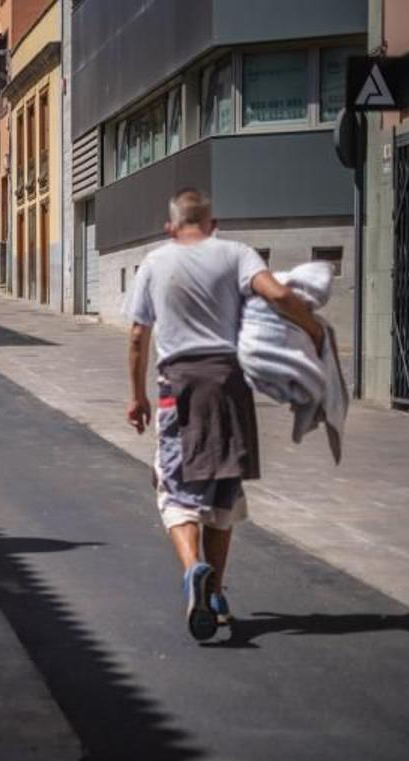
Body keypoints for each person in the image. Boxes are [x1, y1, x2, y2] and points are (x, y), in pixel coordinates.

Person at [124, 188, 323, 641]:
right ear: (212, 225)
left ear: (170, 227)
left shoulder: (156, 262)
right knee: (222, 496)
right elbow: (277, 294)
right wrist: (312, 328)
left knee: (175, 492)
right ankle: (214, 592)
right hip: (230, 386)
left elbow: (138, 336)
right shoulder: (236, 253)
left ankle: (194, 568)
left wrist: (137, 398)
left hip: (178, 387)